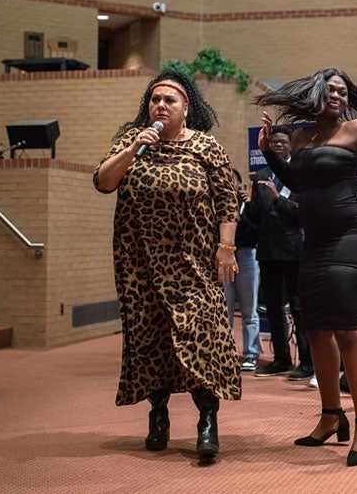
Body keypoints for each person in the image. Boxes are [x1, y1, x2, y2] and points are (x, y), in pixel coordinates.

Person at [255, 68, 357, 466]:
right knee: (316, 329)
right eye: (331, 90)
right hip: (316, 243)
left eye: (343, 91)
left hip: (353, 237)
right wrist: (271, 153)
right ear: (315, 95)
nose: (338, 96)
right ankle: (329, 416)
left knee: (345, 326)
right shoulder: (301, 137)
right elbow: (300, 181)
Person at [93, 70, 240, 461]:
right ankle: (158, 416)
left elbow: (227, 201)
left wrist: (226, 246)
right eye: (154, 100)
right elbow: (103, 182)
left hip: (193, 263)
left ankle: (207, 421)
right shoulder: (132, 140)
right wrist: (132, 149)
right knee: (149, 338)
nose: (160, 105)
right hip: (140, 262)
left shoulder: (208, 148)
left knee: (202, 335)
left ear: (186, 107)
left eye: (169, 100)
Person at [248, 125, 314, 381]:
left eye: (282, 141)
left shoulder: (297, 175)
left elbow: (301, 215)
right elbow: (256, 215)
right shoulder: (261, 175)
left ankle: (307, 361)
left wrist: (277, 201)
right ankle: (282, 359)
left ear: (291, 146)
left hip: (294, 249)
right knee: (273, 307)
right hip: (267, 250)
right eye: (273, 141)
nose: (277, 144)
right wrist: (245, 202)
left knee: (298, 308)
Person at [224, 168, 262, 372]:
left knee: (249, 309)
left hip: (247, 255)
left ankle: (251, 354)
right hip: (225, 257)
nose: (229, 184)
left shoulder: (249, 203)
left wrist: (246, 205)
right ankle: (226, 353)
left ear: (239, 184)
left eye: (232, 181)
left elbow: (256, 230)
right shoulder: (218, 204)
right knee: (225, 309)